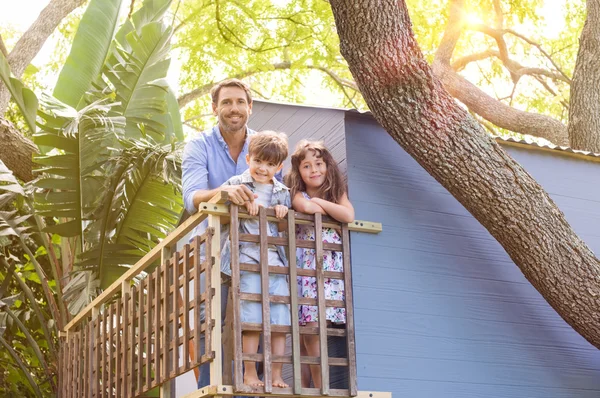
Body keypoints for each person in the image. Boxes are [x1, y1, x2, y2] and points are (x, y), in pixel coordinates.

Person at [182, 78, 266, 388]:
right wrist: (227, 191)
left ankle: (250, 390)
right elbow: (192, 198)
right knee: (210, 320)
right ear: (215, 107)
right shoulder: (199, 145)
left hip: (254, 246)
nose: (234, 108)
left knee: (254, 316)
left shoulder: (263, 145)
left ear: (250, 108)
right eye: (227, 102)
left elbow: (279, 188)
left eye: (240, 102)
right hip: (211, 247)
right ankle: (211, 386)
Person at [220, 130, 292, 388]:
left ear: (279, 166)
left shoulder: (283, 192)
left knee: (280, 321)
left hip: (275, 262)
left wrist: (281, 212)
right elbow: (223, 214)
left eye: (271, 164)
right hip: (248, 260)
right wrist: (239, 205)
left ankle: (275, 374)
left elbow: (283, 230)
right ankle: (249, 372)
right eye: (259, 161)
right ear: (249, 158)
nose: (263, 168)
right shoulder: (236, 184)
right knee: (251, 319)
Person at [285, 140, 355, 388]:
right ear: (298, 171)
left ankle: (315, 387)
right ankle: (315, 387)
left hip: (328, 271)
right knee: (309, 329)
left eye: (318, 163)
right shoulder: (297, 192)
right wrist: (329, 208)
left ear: (327, 166)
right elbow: (305, 207)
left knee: (316, 328)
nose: (314, 170)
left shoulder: (336, 191)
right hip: (306, 269)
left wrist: (324, 203)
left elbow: (348, 215)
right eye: (306, 166)